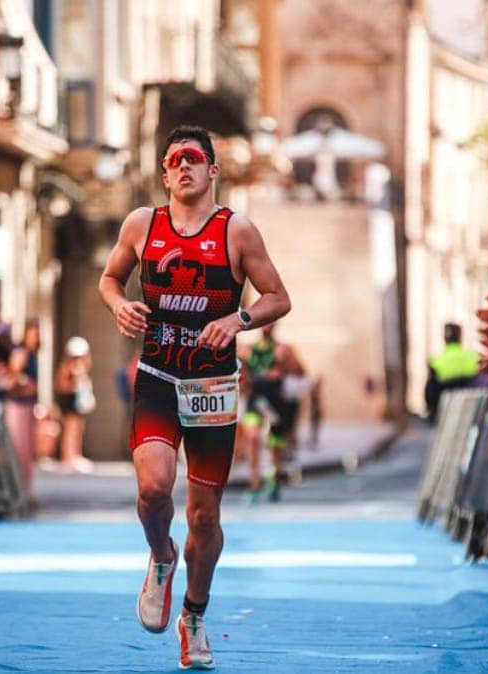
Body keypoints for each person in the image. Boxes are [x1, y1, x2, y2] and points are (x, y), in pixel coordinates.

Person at [97, 125, 290, 669]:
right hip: (159, 374)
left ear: (213, 170)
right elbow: (110, 279)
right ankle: (161, 555)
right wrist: (117, 304)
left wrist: (238, 319)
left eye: (194, 158)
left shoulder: (237, 231)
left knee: (204, 518)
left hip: (212, 386)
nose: (184, 167)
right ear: (164, 173)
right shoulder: (143, 224)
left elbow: (279, 298)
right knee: (154, 489)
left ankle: (194, 615)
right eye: (174, 160)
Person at [241, 322, 307, 503]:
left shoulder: (284, 350)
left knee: (275, 445)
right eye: (264, 323)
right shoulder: (247, 350)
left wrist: (283, 370)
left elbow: (301, 371)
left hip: (275, 401)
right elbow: (240, 372)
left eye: (271, 323)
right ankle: (254, 485)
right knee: (252, 438)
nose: (267, 327)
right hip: (256, 399)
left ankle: (273, 481)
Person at [5, 320, 40, 498]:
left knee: (27, 452)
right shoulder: (21, 353)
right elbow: (12, 379)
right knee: (19, 450)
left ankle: (25, 489)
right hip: (18, 406)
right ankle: (18, 490)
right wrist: (25, 384)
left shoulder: (33, 354)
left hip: (27, 405)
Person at [54, 336, 95, 473]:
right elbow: (61, 386)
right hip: (69, 403)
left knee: (77, 430)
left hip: (77, 404)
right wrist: (75, 384)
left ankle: (75, 455)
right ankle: (68, 457)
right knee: (69, 431)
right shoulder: (67, 368)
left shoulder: (81, 367)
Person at [424, 322, 480, 422]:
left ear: (444, 339)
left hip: (444, 412)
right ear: (460, 337)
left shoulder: (436, 361)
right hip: (471, 411)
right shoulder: (473, 358)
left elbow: (430, 390)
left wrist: (430, 410)